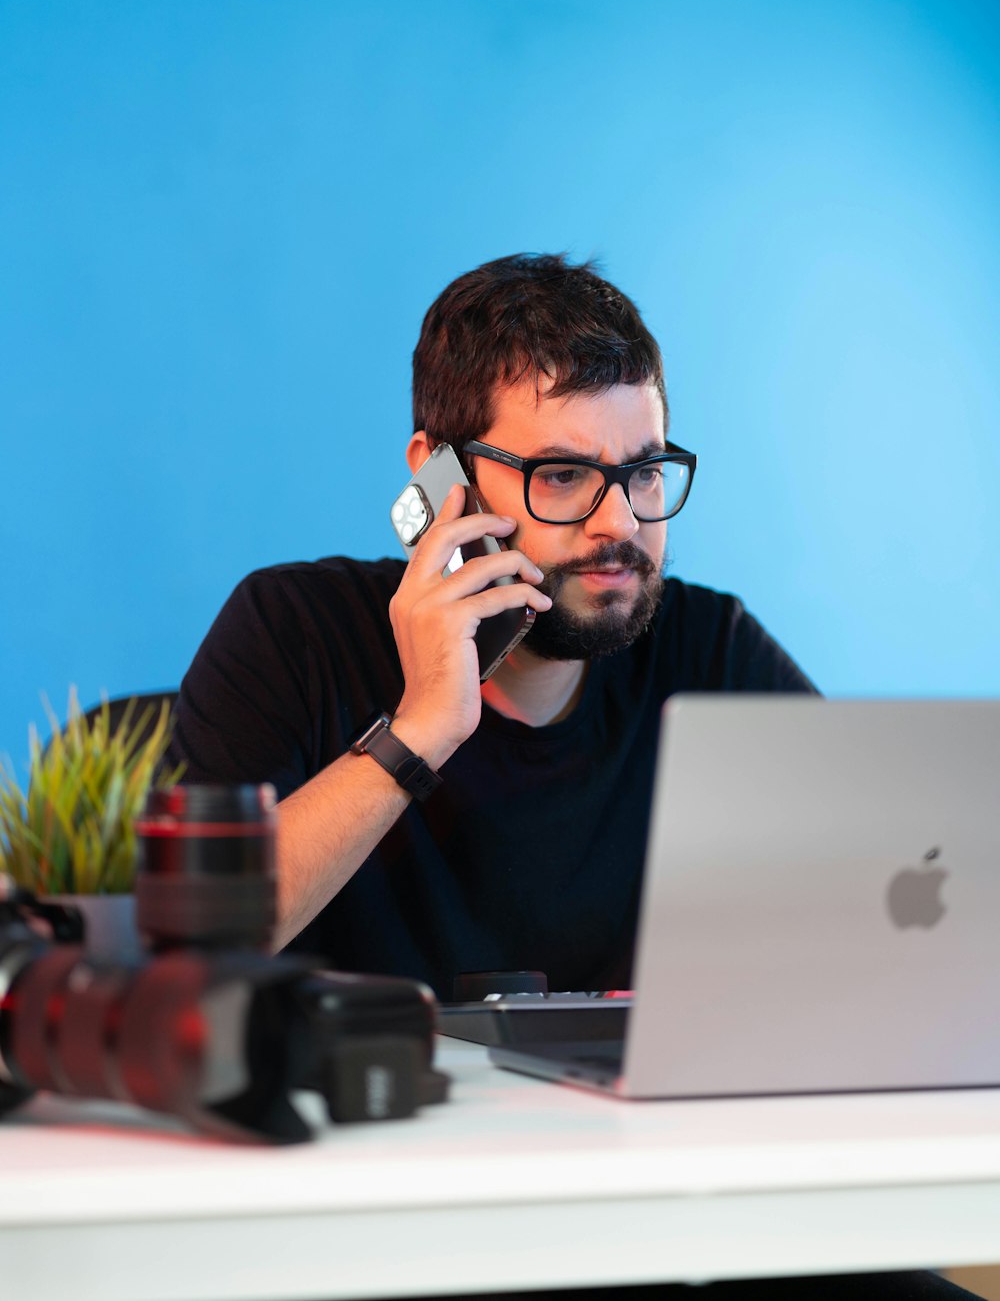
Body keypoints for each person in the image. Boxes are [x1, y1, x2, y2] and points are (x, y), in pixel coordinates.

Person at [168, 252, 815, 997]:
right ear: (439, 477)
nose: (621, 521)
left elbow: (880, 876)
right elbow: (191, 950)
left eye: (644, 470)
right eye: (563, 475)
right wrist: (419, 733)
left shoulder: (712, 650)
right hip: (371, 1104)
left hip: (620, 1114)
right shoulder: (294, 631)